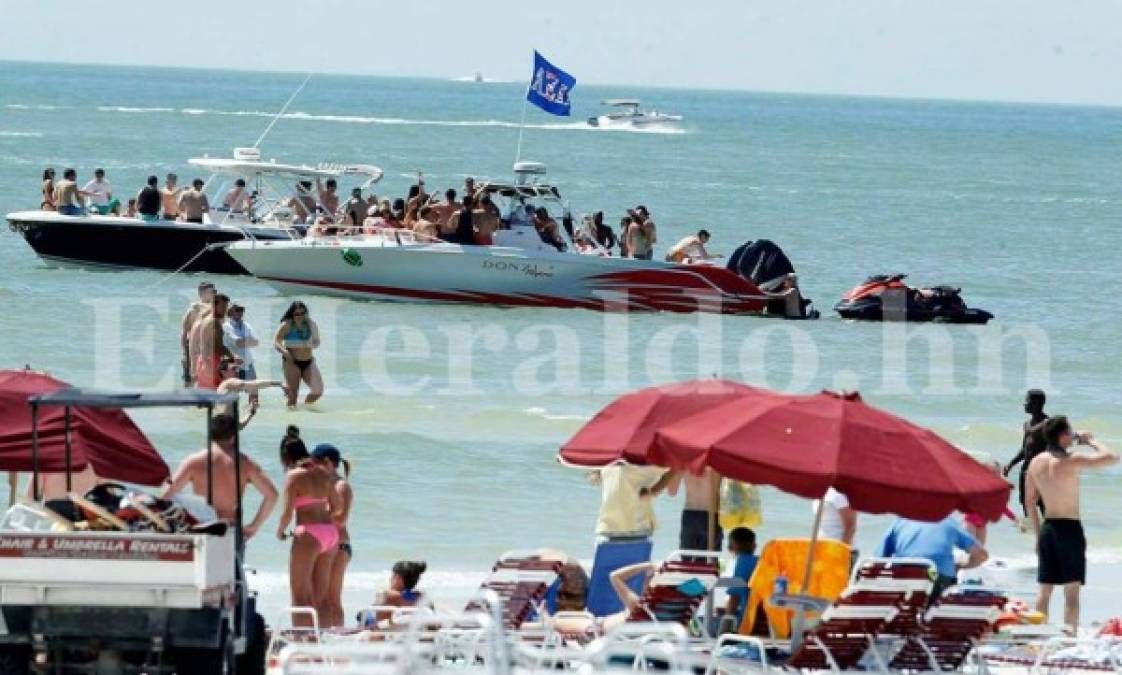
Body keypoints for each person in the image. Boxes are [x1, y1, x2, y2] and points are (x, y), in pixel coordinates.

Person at [1025, 416, 1118, 632]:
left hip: (1048, 529)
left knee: (1044, 590)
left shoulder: (1036, 462)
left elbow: (1030, 501)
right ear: (1063, 435)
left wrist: (1038, 535)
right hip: (1069, 529)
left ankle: (1039, 636)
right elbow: (1113, 457)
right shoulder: (1072, 460)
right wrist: (1091, 440)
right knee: (1072, 592)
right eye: (1070, 431)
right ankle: (1069, 639)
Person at [162, 413, 278, 536]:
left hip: (202, 527)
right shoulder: (245, 464)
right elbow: (272, 495)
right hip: (231, 529)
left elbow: (168, 495)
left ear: (210, 435)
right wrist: (254, 526)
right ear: (233, 436)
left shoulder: (194, 461)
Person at [275, 428, 341, 627]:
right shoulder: (324, 474)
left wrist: (280, 531)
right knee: (321, 600)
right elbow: (338, 507)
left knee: (300, 598)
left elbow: (287, 513)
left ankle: (302, 645)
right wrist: (323, 519)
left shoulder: (294, 476)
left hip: (308, 533)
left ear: (285, 457)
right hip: (330, 534)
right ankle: (323, 645)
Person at [877, 515, 988, 600]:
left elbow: (878, 559)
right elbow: (981, 555)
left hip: (905, 581)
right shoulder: (948, 522)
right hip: (939, 581)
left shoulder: (900, 522)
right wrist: (959, 565)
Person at [312, 443, 353, 629]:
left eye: (315, 463)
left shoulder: (340, 485)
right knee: (321, 597)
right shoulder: (323, 485)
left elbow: (341, 518)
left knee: (332, 598)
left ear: (327, 462)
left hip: (340, 546)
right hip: (327, 545)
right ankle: (325, 634)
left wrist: (318, 516)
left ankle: (336, 636)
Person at [1005, 389, 1050, 516]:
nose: (1024, 404)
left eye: (1027, 401)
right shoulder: (1027, 424)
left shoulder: (1047, 423)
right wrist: (1011, 464)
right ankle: (1032, 533)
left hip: (1041, 473)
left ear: (1035, 403)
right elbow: (1025, 449)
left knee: (1044, 506)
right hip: (1025, 472)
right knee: (1026, 505)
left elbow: (1054, 448)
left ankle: (1049, 533)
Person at [592, 465, 668, 541]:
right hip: (610, 526)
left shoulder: (641, 461)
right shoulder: (609, 462)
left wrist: (654, 491)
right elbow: (672, 470)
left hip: (636, 526)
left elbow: (672, 470)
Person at [273, 300, 324, 409]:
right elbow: (276, 342)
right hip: (292, 362)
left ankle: (306, 408)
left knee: (317, 391)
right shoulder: (287, 325)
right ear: (292, 314)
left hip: (308, 362)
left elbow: (317, 341)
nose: (300, 316)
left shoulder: (311, 323)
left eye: (303, 313)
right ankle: (291, 420)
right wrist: (285, 353)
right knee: (293, 397)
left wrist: (311, 344)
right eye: (297, 314)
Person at [663, 469, 723, 551]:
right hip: (711, 514)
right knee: (710, 557)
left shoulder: (684, 463)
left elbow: (672, 492)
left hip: (689, 514)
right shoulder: (717, 462)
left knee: (686, 557)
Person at [190, 293, 235, 389]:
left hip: (202, 362)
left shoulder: (205, 319)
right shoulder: (215, 322)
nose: (225, 310)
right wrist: (233, 357)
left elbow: (198, 344)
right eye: (223, 306)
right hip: (211, 363)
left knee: (205, 398)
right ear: (214, 305)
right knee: (218, 398)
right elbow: (219, 347)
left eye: (226, 306)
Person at [723, 527, 759, 630]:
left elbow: (734, 598)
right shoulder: (764, 563)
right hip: (770, 623)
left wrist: (723, 631)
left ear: (730, 548)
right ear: (754, 546)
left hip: (748, 625)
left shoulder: (742, 563)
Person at [180, 281, 216, 386]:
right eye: (212, 291)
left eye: (215, 291)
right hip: (192, 347)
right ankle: (187, 401)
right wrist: (184, 354)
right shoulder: (193, 309)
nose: (215, 293)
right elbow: (184, 332)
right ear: (202, 293)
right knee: (189, 381)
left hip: (209, 348)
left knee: (208, 380)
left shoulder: (216, 308)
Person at [223, 302, 260, 400]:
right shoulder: (226, 326)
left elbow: (256, 342)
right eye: (237, 310)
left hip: (248, 363)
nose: (240, 312)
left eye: (242, 310)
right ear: (230, 312)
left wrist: (244, 341)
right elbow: (238, 342)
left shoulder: (246, 325)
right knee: (232, 396)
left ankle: (252, 412)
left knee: (254, 394)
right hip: (233, 365)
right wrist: (248, 340)